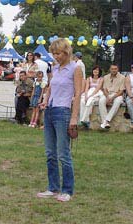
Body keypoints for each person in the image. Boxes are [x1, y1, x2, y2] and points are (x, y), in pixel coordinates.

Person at [37, 38, 82, 202]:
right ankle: (53, 187)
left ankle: (67, 190)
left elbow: (78, 94)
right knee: (50, 153)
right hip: (50, 110)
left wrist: (74, 117)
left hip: (63, 112)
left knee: (63, 153)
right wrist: (45, 101)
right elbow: (50, 87)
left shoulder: (75, 69)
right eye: (54, 53)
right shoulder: (55, 68)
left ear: (66, 52)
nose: (55, 56)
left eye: (58, 53)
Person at [99, 64, 125, 129]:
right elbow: (104, 89)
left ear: (117, 69)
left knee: (117, 101)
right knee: (101, 101)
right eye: (112, 69)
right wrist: (108, 97)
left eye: (115, 69)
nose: (114, 70)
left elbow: (121, 91)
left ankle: (106, 120)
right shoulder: (106, 77)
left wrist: (112, 97)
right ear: (110, 69)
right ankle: (106, 123)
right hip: (108, 94)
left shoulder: (122, 77)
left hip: (117, 94)